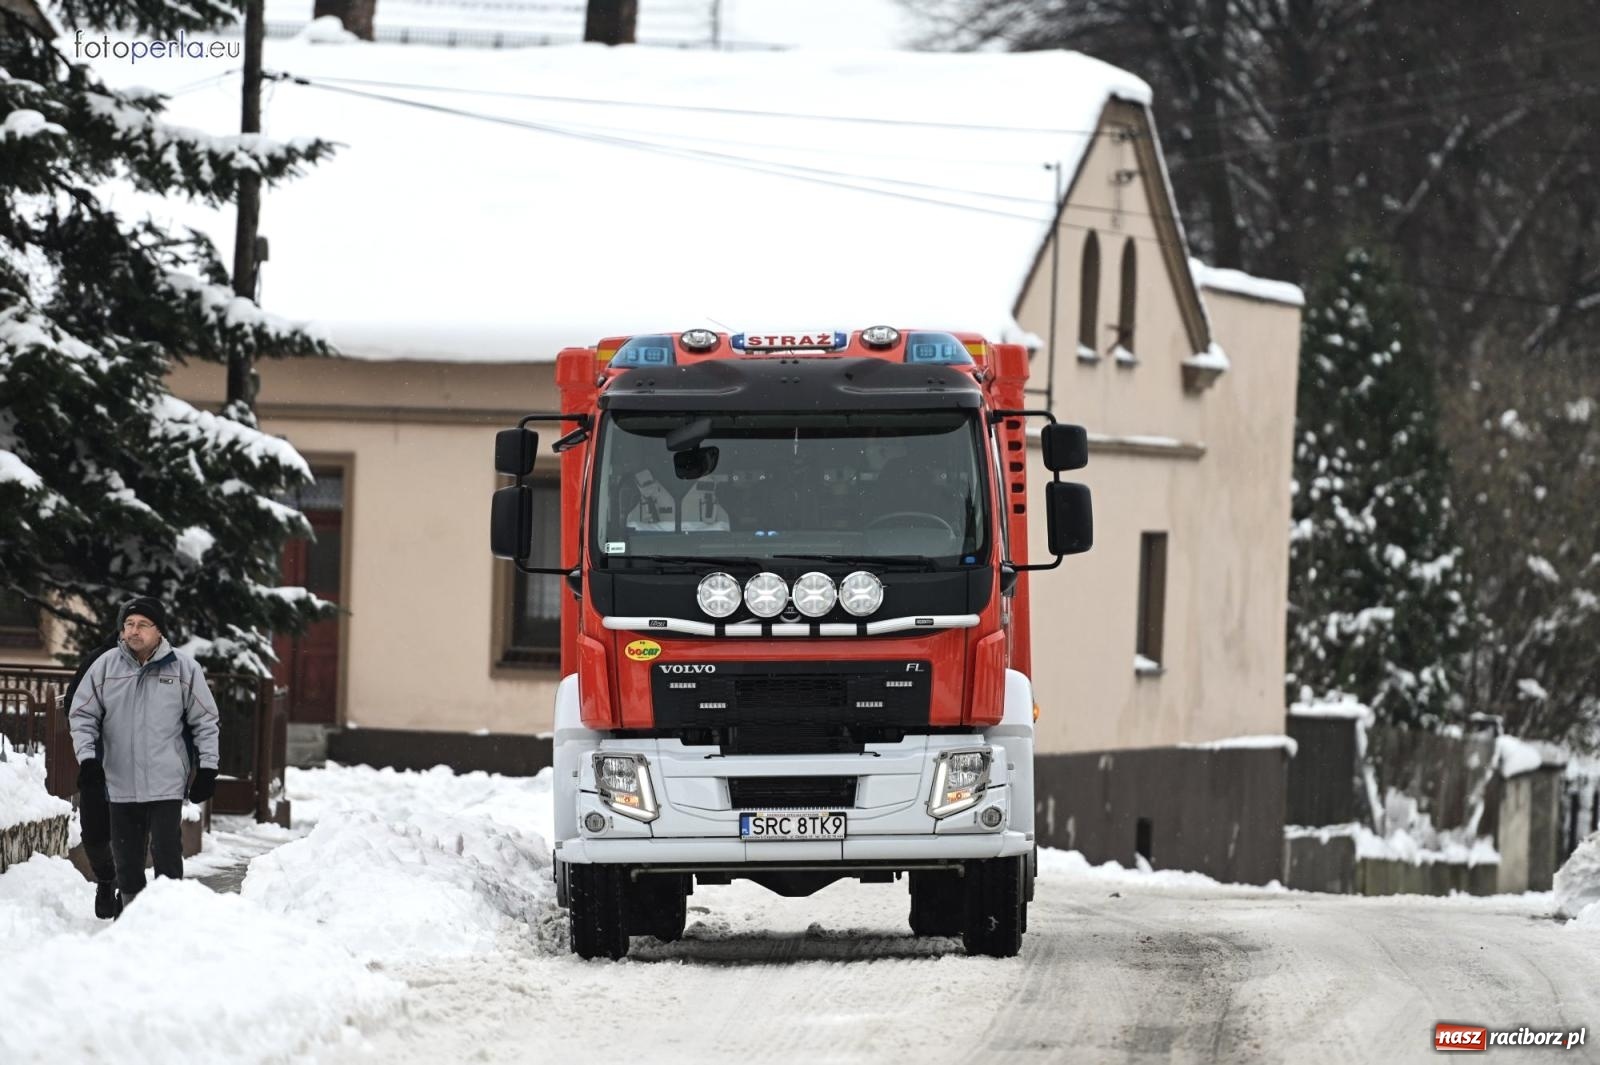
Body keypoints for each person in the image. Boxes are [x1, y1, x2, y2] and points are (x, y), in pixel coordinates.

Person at [68, 596, 220, 905]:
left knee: (166, 851)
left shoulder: (184, 669)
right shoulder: (105, 666)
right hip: (120, 780)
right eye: (129, 624)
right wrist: (88, 760)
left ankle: (167, 914)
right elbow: (82, 715)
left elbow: (205, 720)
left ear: (159, 630)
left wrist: (208, 768)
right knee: (127, 858)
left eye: (142, 625)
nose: (133, 631)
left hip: (166, 780)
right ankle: (130, 915)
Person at [62, 620, 122, 919]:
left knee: (133, 832)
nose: (136, 632)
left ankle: (128, 891)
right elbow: (73, 704)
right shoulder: (98, 660)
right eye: (130, 624)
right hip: (97, 761)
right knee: (94, 833)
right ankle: (107, 878)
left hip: (141, 766)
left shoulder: (160, 664)